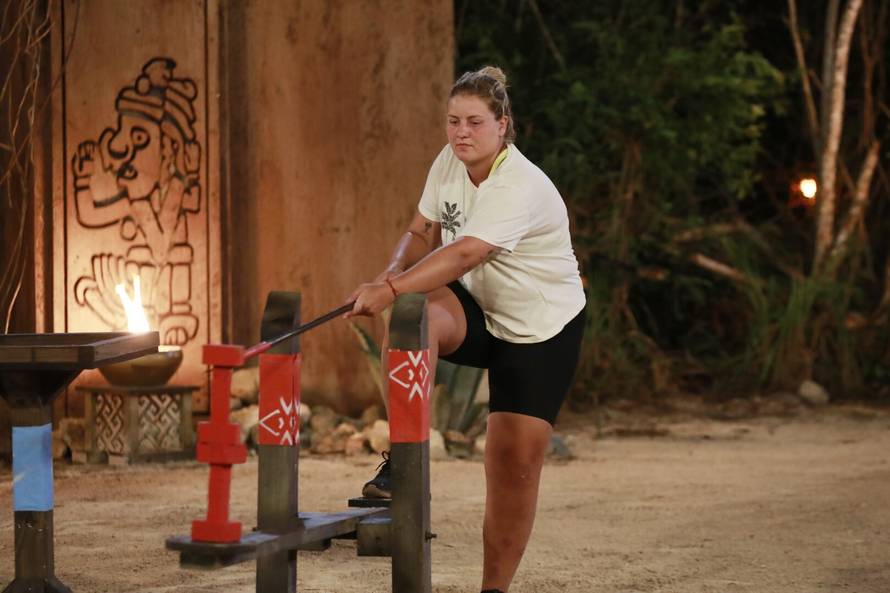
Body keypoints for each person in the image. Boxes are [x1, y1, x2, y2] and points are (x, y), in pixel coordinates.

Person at [346, 66, 586, 593]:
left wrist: (390, 289)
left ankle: (493, 590)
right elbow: (420, 231)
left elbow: (464, 251)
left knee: (512, 467)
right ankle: (404, 458)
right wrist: (391, 275)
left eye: (475, 122)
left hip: (538, 328)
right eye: (453, 121)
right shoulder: (448, 163)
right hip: (478, 306)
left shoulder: (519, 185)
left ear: (503, 125)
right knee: (415, 316)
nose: (461, 133)